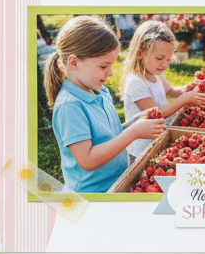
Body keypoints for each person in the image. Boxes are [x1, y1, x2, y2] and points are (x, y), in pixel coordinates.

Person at [46, 16, 164, 193]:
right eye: (103, 66)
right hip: (93, 195)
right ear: (74, 62)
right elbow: (87, 159)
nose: (109, 73)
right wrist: (133, 133)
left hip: (117, 182)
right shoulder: (69, 106)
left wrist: (133, 123)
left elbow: (108, 136)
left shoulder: (101, 92)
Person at [120, 20, 205, 161]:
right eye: (160, 58)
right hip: (141, 148)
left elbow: (171, 91)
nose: (165, 64)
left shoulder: (155, 73)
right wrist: (184, 99)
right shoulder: (136, 82)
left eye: (169, 59)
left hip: (158, 139)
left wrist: (185, 89)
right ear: (140, 54)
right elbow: (155, 115)